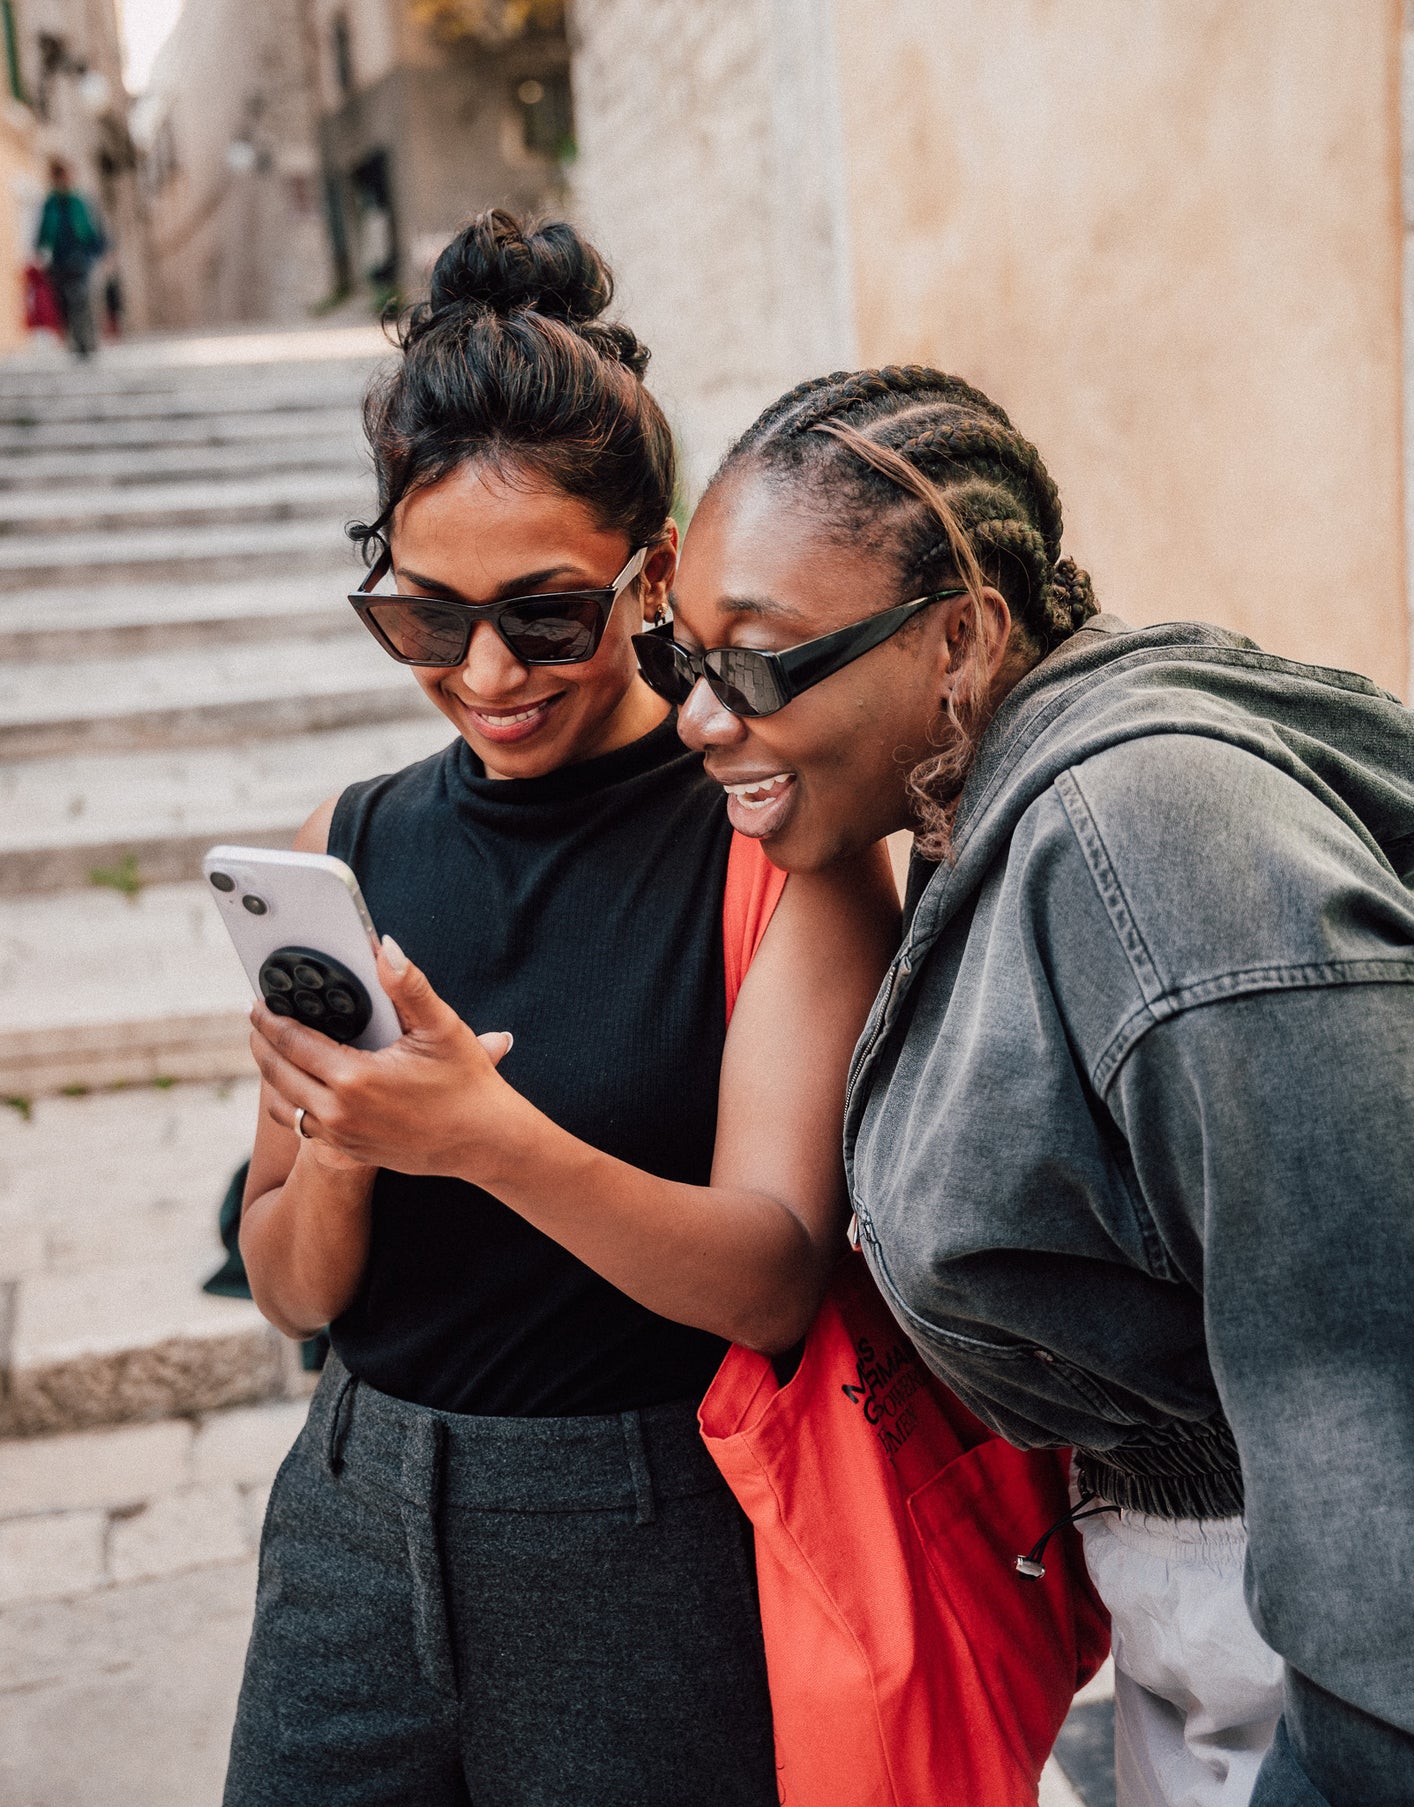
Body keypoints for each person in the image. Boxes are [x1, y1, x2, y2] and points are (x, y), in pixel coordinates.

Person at [651, 364, 1414, 1806]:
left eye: (758, 663)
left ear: (959, 634)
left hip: (1324, 1672)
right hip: (1205, 1640)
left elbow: (1388, 1412)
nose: (702, 718)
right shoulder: (980, 812)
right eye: (679, 659)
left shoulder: (1144, 835)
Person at [221, 215, 898, 1807]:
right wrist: (345, 1142)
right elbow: (286, 1282)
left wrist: (484, 1136)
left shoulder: (773, 838)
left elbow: (774, 1280)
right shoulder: (350, 841)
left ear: (652, 568)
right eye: (422, 615)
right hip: (348, 1515)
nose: (483, 670)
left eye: (546, 612)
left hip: (644, 1535)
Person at [35, 160, 106, 359]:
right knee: (64, 302)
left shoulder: (80, 201)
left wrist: (97, 251)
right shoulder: (50, 204)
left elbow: (94, 228)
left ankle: (86, 341)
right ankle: (74, 341)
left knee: (81, 299)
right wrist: (40, 252)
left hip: (80, 257)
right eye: (60, 177)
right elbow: (42, 231)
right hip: (58, 260)